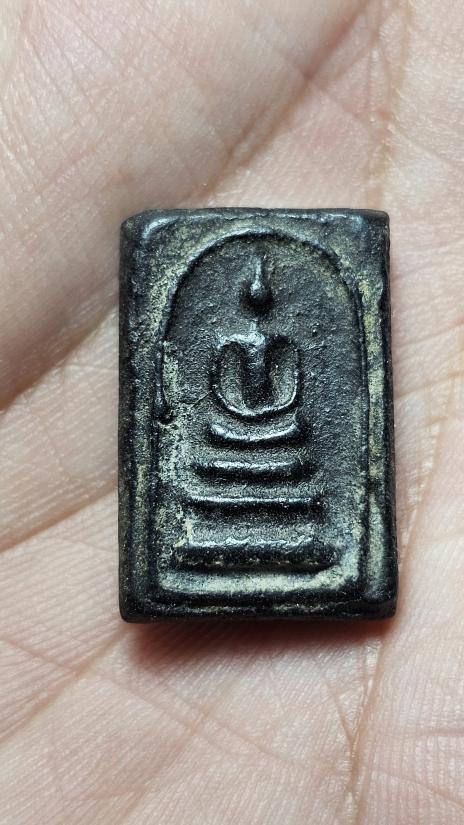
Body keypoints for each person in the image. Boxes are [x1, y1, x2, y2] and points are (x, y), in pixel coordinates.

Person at [0, 1, 462, 822]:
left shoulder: (279, 345)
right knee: (228, 464)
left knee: (283, 452)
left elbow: (285, 395)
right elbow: (223, 392)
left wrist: (265, 405)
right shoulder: (231, 349)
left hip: (274, 445)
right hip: (231, 444)